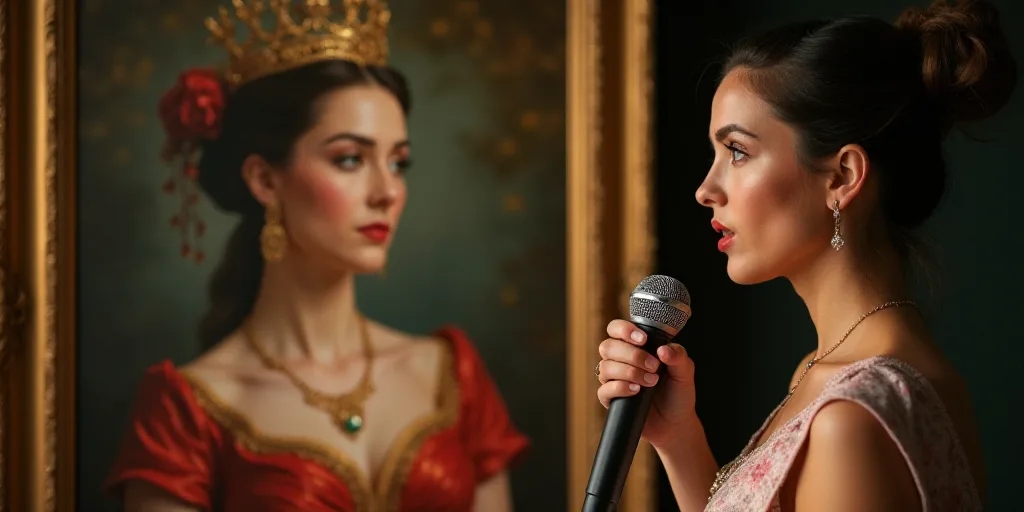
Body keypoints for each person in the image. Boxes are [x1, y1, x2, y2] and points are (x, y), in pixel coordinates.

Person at [103, 2, 529, 511]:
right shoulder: (188, 407)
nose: (386, 192)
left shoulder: (449, 373)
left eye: (398, 163)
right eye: (350, 159)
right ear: (265, 180)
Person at [595, 0, 1015, 510]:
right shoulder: (841, 377)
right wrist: (678, 438)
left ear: (842, 176)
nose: (705, 189)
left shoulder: (851, 417)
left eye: (738, 151)